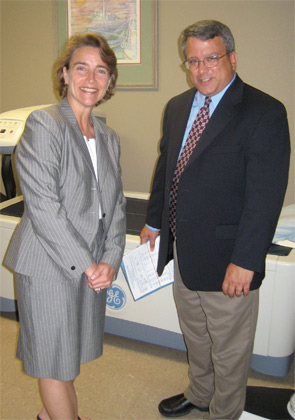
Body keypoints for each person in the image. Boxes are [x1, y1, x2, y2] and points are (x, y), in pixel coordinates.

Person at [140, 20, 290, 419]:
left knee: (229, 346)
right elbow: (166, 169)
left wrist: (246, 260)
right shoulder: (176, 107)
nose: (201, 69)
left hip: (229, 260)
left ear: (232, 58)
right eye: (193, 60)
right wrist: (155, 222)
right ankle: (200, 393)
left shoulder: (265, 112)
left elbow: (265, 197)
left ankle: (224, 412)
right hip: (184, 253)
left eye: (211, 58)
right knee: (196, 335)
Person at [5, 33, 126, 420]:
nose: (91, 78)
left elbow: (116, 205)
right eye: (81, 68)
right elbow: (44, 208)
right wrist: (89, 264)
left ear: (109, 81)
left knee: (67, 353)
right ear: (65, 74)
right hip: (47, 265)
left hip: (90, 263)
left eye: (101, 70)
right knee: (53, 360)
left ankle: (51, 415)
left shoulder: (108, 137)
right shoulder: (45, 124)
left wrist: (111, 257)